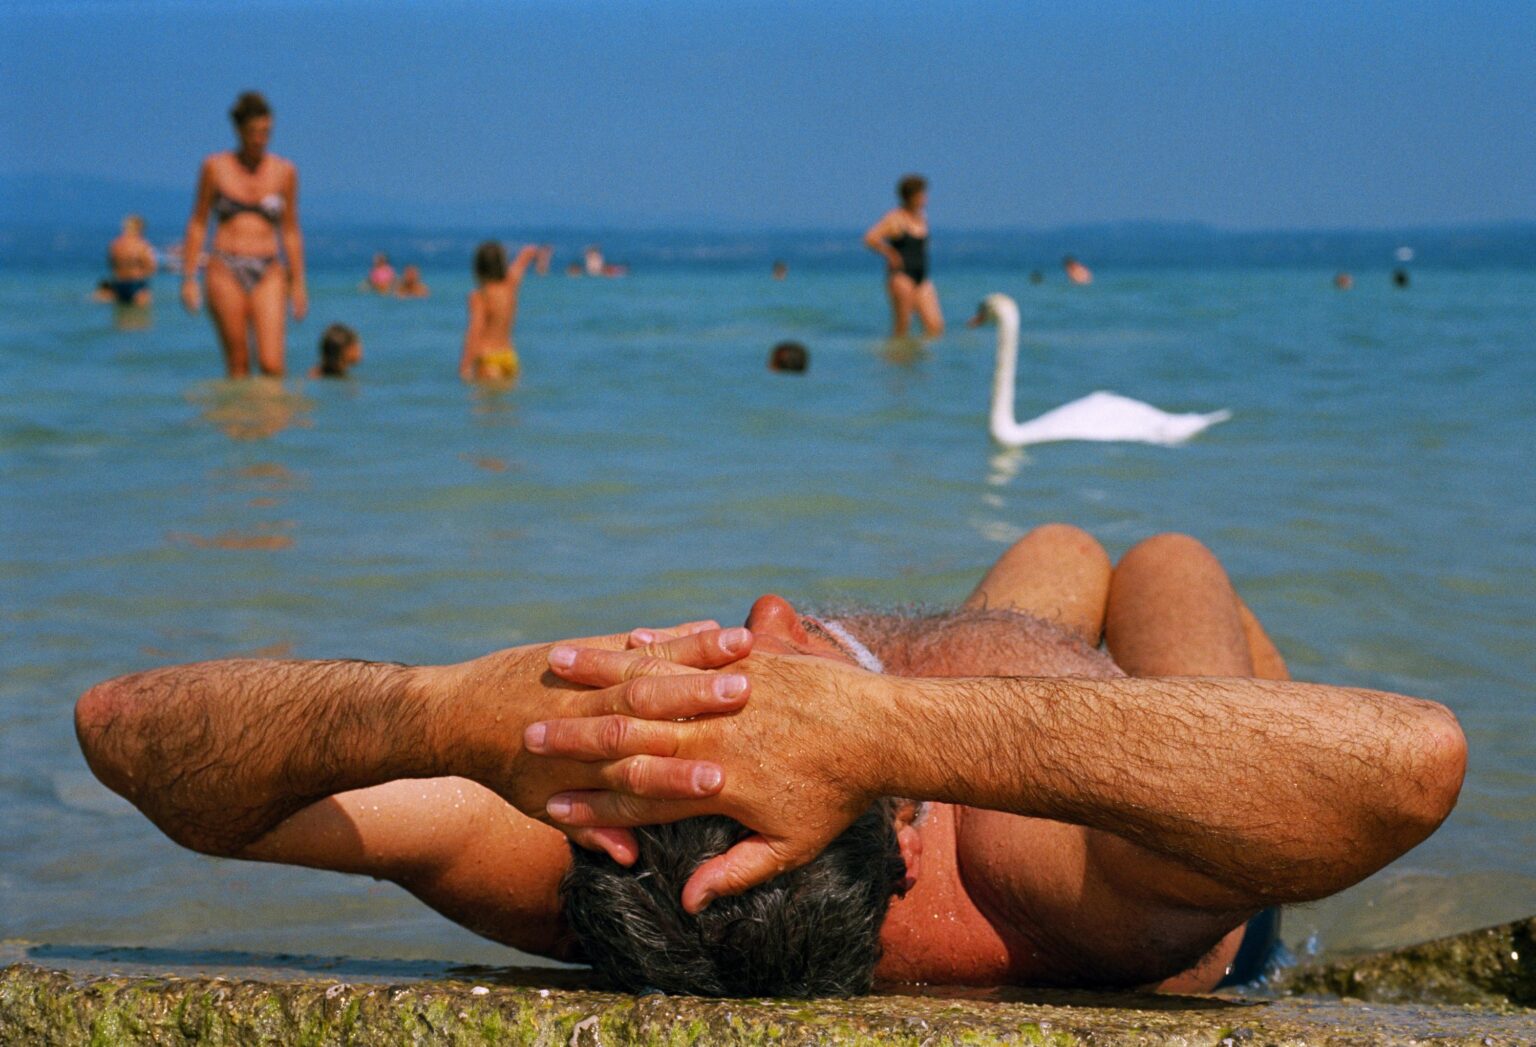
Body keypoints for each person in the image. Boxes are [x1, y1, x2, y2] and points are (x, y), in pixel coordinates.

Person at [75, 526, 1464, 998]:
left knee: (1046, 560)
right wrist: (883, 720)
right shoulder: (1031, 864)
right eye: (774, 690)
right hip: (1214, 832)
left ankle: (1044, 597)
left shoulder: (562, 837)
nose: (761, 622)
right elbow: (1404, 765)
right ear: (903, 823)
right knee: (1166, 560)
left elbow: (128, 727)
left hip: (960, 724)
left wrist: (434, 712)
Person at [181, 91, 307, 377]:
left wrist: (298, 283)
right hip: (225, 265)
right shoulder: (215, 167)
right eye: (254, 132)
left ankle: (271, 421)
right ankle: (239, 421)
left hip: (269, 267)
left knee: (272, 364)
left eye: (266, 132)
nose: (260, 139)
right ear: (238, 130)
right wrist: (189, 278)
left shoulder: (284, 171)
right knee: (238, 365)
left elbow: (290, 229)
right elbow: (199, 221)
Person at [864, 175, 943, 338]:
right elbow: (870, 238)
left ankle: (923, 359)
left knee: (935, 326)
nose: (925, 198)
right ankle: (897, 360)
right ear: (911, 196)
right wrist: (890, 253)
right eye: (921, 195)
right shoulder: (895, 218)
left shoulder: (922, 217)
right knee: (903, 325)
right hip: (901, 276)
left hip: (922, 276)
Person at [461, 240, 540, 383]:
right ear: (503, 263)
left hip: (488, 358)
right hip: (509, 357)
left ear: (478, 267)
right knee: (508, 404)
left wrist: (465, 365)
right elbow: (524, 258)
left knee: (484, 404)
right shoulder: (510, 286)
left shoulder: (480, 296)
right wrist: (533, 254)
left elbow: (475, 329)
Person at [104, 214, 156, 306]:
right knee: (141, 317)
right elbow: (151, 267)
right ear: (140, 228)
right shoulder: (142, 245)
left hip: (118, 283)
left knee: (121, 317)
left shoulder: (115, 245)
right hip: (137, 284)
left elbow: (111, 263)